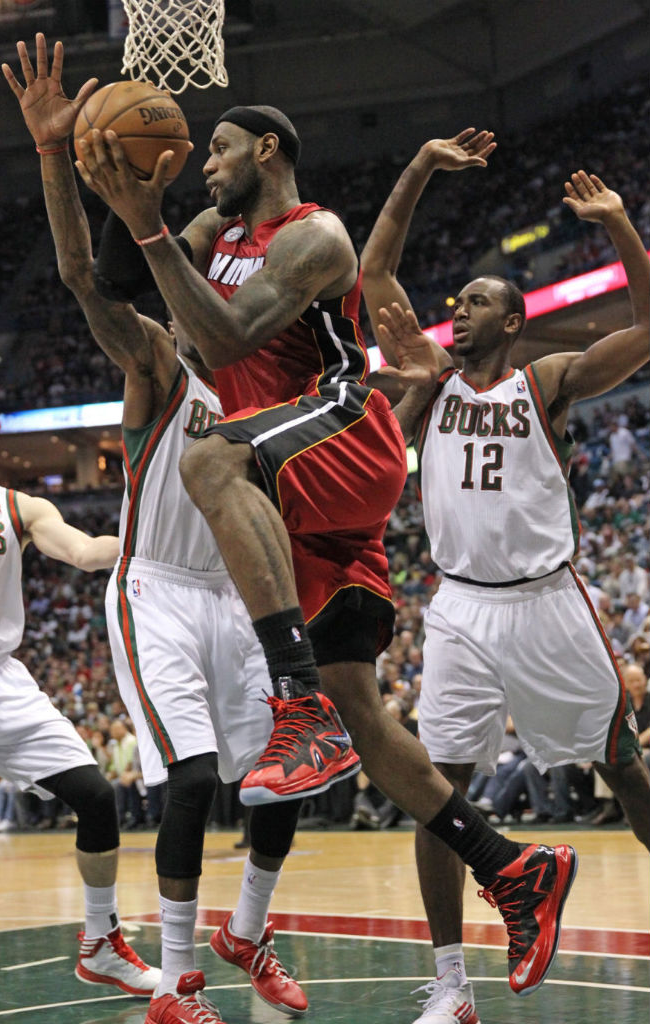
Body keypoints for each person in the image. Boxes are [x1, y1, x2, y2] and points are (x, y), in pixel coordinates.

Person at [67, 52, 578, 1006]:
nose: (206, 165)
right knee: (364, 714)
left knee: (208, 454)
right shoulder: (211, 225)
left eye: (217, 151)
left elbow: (221, 342)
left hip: (344, 431)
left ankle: (292, 702)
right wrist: (114, 184)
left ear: (267, 150)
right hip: (296, 492)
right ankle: (510, 866)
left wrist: (151, 227)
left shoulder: (314, 236)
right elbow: (110, 278)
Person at [4, 34, 308, 1024]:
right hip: (159, 590)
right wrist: (57, 157)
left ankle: (248, 931)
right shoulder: (160, 361)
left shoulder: (270, 378)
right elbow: (82, 280)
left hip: (246, 595)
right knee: (190, 776)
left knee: (284, 775)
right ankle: (176, 985)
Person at [361, 134, 650, 1023]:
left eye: (478, 301)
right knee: (433, 789)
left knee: (624, 765)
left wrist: (620, 230)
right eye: (458, 299)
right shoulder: (430, 379)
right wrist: (417, 168)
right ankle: (450, 986)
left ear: (513, 321)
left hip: (546, 599)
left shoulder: (546, 382)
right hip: (456, 609)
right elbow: (375, 277)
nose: (459, 309)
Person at [0, 398, 160, 997]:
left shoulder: (22, 506)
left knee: (95, 796)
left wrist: (147, 535)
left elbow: (85, 553)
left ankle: (100, 943)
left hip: (2, 677)